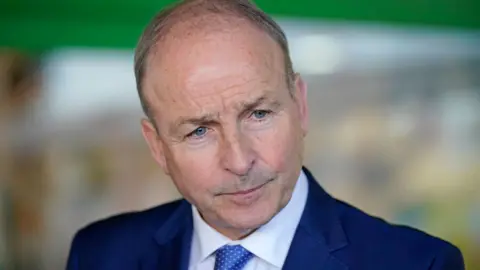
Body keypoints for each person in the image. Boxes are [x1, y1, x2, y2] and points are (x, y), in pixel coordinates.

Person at [66, 0, 465, 269]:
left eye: (258, 114)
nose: (240, 161)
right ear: (156, 146)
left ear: (300, 106)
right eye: (200, 130)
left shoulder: (417, 263)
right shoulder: (100, 254)